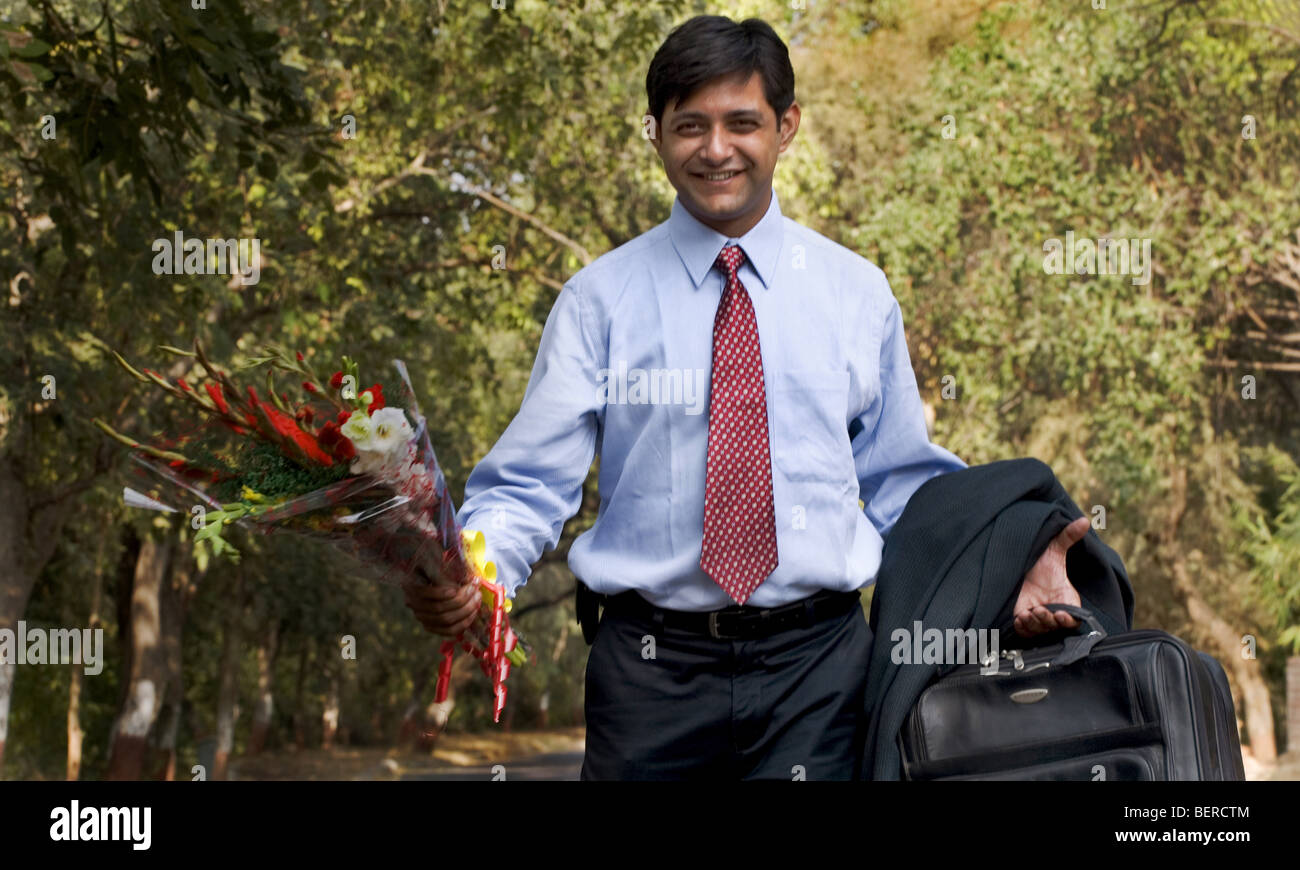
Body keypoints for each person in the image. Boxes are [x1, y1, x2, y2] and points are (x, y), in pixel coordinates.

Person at [402, 14, 1089, 779]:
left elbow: (905, 486)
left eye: (742, 122)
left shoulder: (854, 294)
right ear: (656, 134)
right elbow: (530, 485)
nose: (716, 148)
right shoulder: (599, 300)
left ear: (785, 126)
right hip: (649, 677)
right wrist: (476, 574)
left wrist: (1010, 566)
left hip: (820, 673)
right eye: (690, 125)